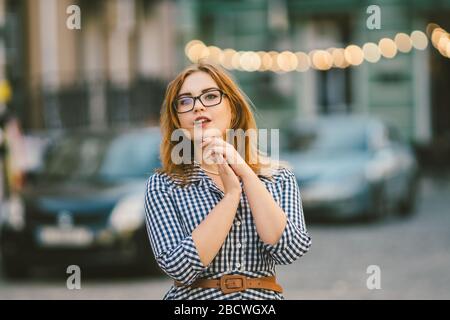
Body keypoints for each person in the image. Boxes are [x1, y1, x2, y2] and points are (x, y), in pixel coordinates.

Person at [144, 62, 312, 300]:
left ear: (233, 109)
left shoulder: (278, 177)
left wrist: (243, 172)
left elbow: (289, 250)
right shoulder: (164, 185)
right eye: (185, 101)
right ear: (178, 120)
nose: (198, 106)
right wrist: (231, 195)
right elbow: (179, 268)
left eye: (210, 96)